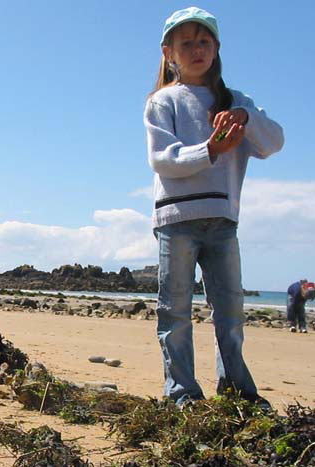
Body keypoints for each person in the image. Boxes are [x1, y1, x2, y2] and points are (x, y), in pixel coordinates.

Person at [144, 7, 284, 408]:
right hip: (176, 220)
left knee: (230, 311)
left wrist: (244, 117)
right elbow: (162, 159)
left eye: (203, 41)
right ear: (168, 51)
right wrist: (210, 150)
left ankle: (237, 390)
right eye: (186, 42)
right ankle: (182, 393)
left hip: (224, 221)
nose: (196, 49)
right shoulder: (163, 101)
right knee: (175, 312)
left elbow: (273, 142)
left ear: (217, 48)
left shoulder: (238, 101)